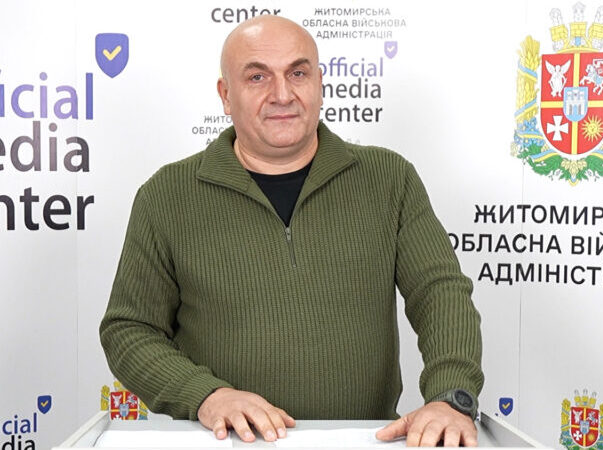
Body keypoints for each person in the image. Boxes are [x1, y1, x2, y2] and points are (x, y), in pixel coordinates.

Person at [100, 15, 484, 447]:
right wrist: (206, 395)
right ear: (226, 95)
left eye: (298, 73)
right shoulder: (166, 195)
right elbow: (129, 329)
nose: (282, 94)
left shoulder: (389, 178)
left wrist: (451, 396)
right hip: (228, 443)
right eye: (257, 77)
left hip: (361, 442)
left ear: (319, 83)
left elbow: (439, 292)